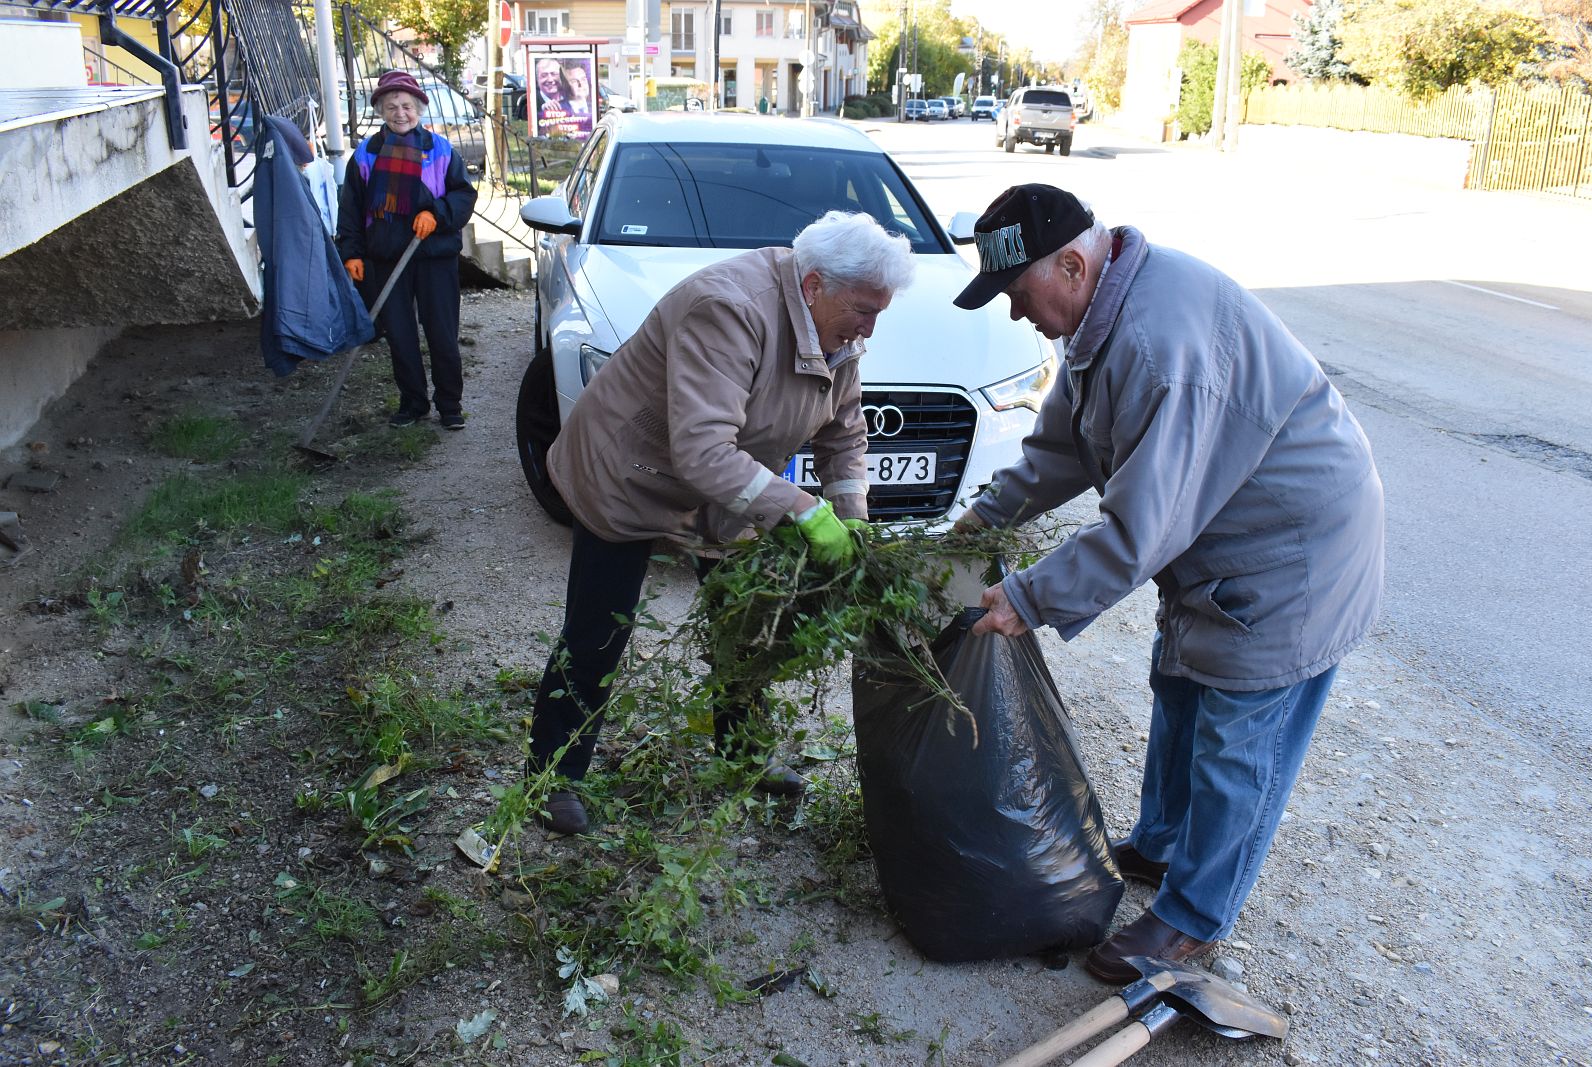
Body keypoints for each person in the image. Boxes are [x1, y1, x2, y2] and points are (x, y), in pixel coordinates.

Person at [950, 184, 1385, 984]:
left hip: (1291, 552)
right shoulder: (1100, 318)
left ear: (1072, 265)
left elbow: (1137, 533)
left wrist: (1027, 598)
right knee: (1180, 685)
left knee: (1236, 739)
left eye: (1018, 293)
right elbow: (1062, 449)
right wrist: (984, 518)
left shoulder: (1159, 350)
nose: (1015, 312)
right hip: (1217, 537)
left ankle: (1191, 919)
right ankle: (1160, 844)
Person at [526, 211, 917, 835]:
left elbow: (843, 435)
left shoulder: (837, 332)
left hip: (728, 482)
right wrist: (803, 510)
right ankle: (552, 776)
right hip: (629, 468)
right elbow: (703, 449)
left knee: (744, 620)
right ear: (814, 285)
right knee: (599, 630)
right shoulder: (729, 308)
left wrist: (853, 518)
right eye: (865, 311)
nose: (871, 327)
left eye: (879, 312)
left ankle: (742, 754)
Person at [336, 70, 477, 429]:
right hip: (386, 257)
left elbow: (463, 194)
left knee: (442, 333)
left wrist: (437, 214)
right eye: (392, 106)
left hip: (434, 256)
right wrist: (351, 253)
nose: (400, 113)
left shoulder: (439, 149)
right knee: (399, 335)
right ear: (381, 110)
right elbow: (351, 210)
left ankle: (450, 405)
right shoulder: (366, 155)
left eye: (407, 106)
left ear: (419, 109)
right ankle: (414, 403)